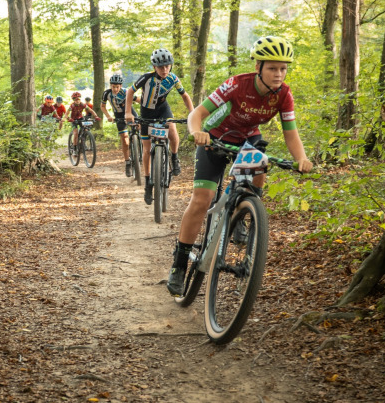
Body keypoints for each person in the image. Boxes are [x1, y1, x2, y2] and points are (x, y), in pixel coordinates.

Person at [166, 36, 314, 296]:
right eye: (272, 68)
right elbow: (197, 114)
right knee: (202, 200)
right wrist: (197, 132)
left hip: (248, 140)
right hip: (215, 137)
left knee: (260, 164)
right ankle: (179, 264)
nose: (278, 74)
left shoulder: (284, 94)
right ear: (258, 66)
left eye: (283, 68)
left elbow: (291, 132)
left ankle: (245, 211)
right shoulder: (237, 84)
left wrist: (301, 158)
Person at [125, 48, 194, 205]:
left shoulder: (173, 78)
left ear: (171, 66)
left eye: (167, 66)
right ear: (154, 67)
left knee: (172, 128)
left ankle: (175, 157)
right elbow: (130, 92)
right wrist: (128, 113)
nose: (164, 69)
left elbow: (185, 96)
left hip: (163, 109)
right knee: (147, 149)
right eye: (161, 67)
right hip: (146, 112)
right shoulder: (146, 78)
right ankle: (148, 184)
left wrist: (192, 114)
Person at [101, 73, 140, 177]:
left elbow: (137, 99)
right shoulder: (106, 94)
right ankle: (128, 162)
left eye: (117, 87)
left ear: (121, 86)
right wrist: (108, 116)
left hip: (130, 112)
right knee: (124, 139)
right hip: (118, 115)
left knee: (140, 126)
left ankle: (140, 144)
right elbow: (102, 106)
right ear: (110, 85)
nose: (115, 89)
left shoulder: (126, 92)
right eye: (113, 87)